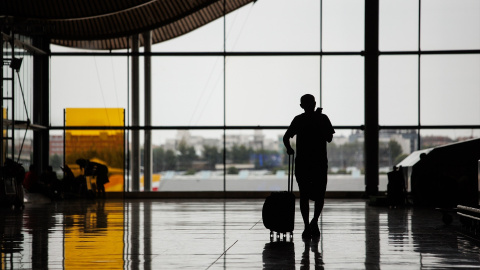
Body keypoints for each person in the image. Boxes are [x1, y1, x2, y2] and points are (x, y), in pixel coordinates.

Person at [283, 94, 335, 239]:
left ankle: (307, 225)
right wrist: (318, 122)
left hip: (303, 163)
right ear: (314, 103)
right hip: (319, 163)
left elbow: (286, 137)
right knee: (320, 195)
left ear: (301, 106)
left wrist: (289, 149)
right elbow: (329, 138)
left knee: (304, 195)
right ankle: (314, 222)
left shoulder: (299, 120)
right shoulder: (322, 118)